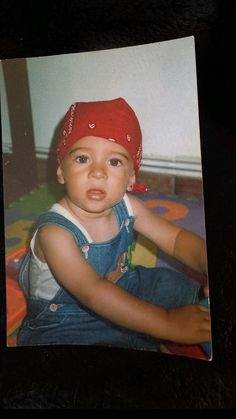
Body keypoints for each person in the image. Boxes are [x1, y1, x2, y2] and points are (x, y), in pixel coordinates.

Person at [17, 97, 211, 352]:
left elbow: (176, 240)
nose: (98, 172)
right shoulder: (54, 232)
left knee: (171, 285)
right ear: (61, 171)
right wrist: (167, 322)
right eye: (83, 159)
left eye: (115, 162)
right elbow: (92, 292)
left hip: (121, 285)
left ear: (131, 178)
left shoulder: (129, 206)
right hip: (66, 324)